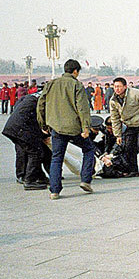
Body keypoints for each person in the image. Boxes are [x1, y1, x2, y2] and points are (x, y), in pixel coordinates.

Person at [36, 59, 95, 200]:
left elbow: (41, 105)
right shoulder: (76, 85)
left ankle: (54, 191)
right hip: (74, 128)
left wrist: (43, 125)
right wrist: (85, 127)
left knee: (57, 157)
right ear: (75, 71)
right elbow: (82, 107)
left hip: (56, 127)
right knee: (88, 149)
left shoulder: (51, 84)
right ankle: (85, 180)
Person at [3, 91, 50, 189]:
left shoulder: (33, 96)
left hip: (12, 126)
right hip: (21, 128)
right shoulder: (46, 99)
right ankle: (29, 181)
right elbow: (41, 118)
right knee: (35, 153)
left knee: (30, 151)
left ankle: (38, 177)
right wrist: (44, 134)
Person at [109, 77, 139, 175]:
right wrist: (118, 135)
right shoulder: (113, 100)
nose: (117, 89)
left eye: (119, 86)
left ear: (125, 86)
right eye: (115, 87)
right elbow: (115, 118)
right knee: (128, 148)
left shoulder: (135, 94)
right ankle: (133, 170)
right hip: (129, 125)